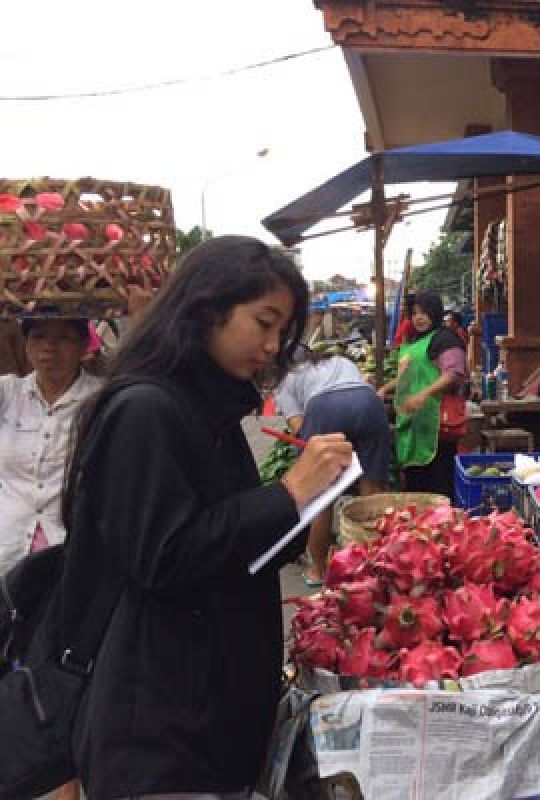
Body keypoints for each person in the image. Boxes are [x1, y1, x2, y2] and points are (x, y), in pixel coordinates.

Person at [59, 235, 354, 798]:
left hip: (209, 722)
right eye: (263, 323)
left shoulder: (204, 407)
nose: (272, 346)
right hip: (161, 733)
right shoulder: (147, 410)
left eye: (281, 331)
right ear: (207, 309)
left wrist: (303, 506)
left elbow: (229, 539)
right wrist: (288, 492)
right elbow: (164, 555)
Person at [275, 346, 392, 586]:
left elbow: (298, 427)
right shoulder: (339, 359)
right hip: (369, 402)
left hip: (324, 409)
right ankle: (378, 568)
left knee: (321, 497)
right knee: (372, 491)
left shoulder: (286, 381)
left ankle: (319, 571)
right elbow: (356, 391)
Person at [0, 317, 102, 576]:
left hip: (72, 550)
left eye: (64, 339)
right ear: (25, 345)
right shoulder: (8, 393)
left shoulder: (101, 399)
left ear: (83, 346)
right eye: (39, 337)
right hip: (7, 546)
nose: (49, 347)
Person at [379, 291, 467, 497]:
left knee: (438, 486)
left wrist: (424, 394)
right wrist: (386, 389)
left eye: (424, 313)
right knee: (415, 486)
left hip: (437, 426)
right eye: (414, 313)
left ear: (435, 313)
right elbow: (409, 376)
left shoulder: (445, 339)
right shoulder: (415, 342)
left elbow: (453, 374)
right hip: (412, 424)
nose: (418, 318)